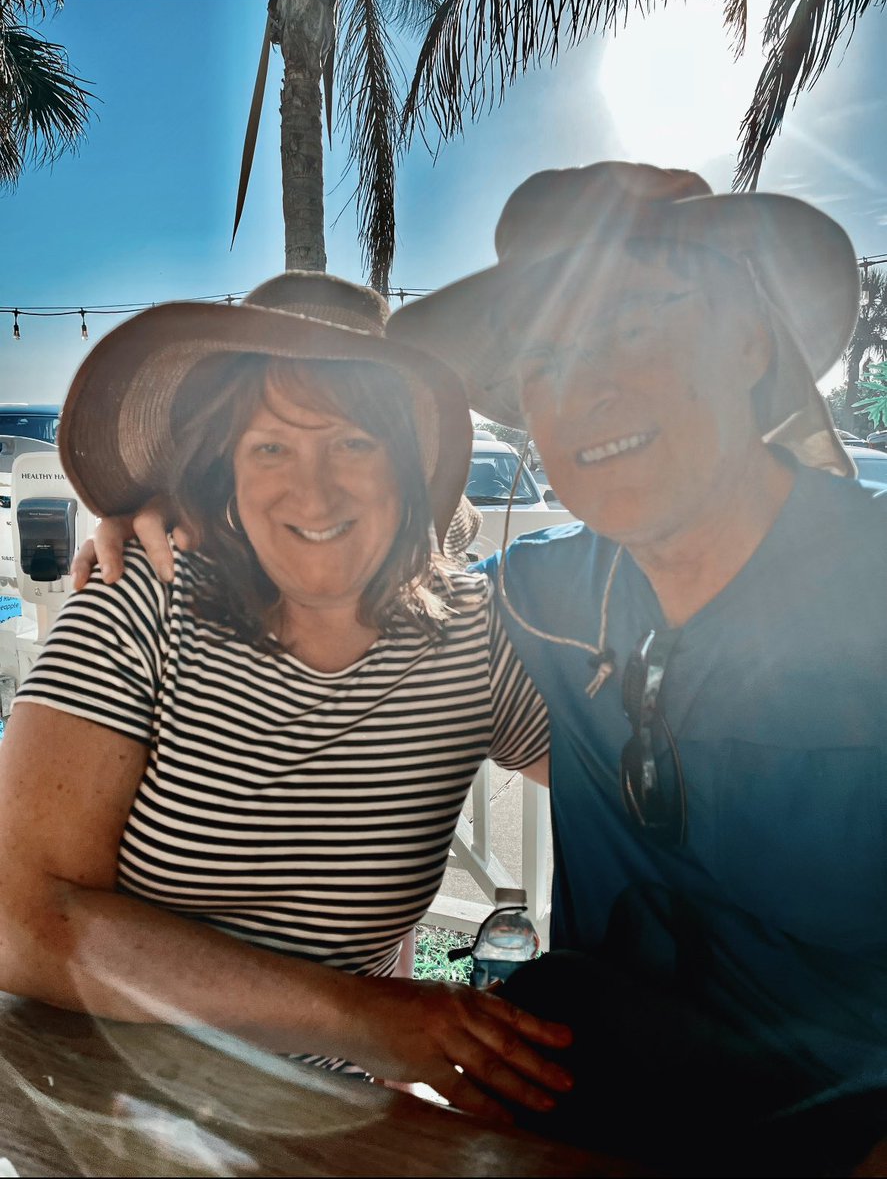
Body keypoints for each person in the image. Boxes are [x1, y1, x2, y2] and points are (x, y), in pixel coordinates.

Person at [382, 162, 887, 1174]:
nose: (586, 390)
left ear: (748, 343)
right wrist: (169, 507)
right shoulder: (541, 597)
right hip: (587, 1101)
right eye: (546, 356)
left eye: (635, 326)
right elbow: (340, 574)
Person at [0, 270, 574, 1124]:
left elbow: (632, 794)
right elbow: (24, 922)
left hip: (331, 1120)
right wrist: (361, 1020)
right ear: (223, 468)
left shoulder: (470, 635)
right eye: (270, 446)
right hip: (95, 1101)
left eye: (352, 443)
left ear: (408, 464)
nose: (314, 491)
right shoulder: (143, 604)